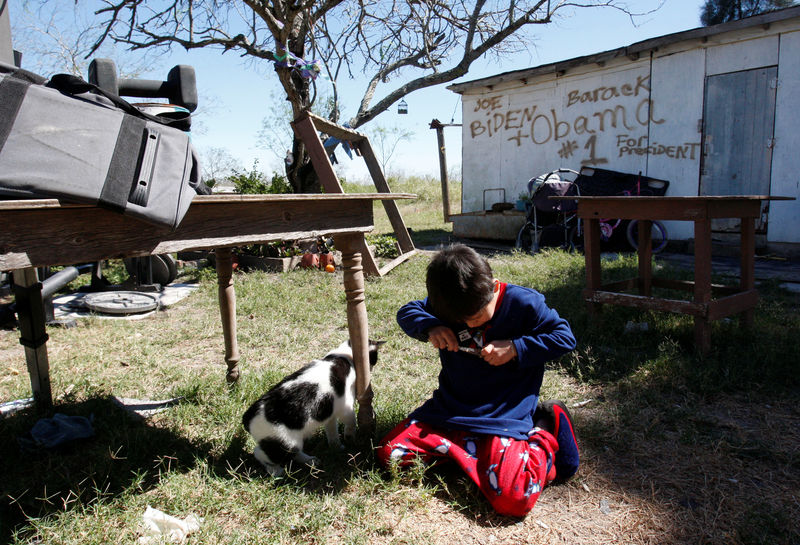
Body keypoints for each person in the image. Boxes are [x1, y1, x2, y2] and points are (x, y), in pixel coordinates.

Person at [376, 244, 579, 518]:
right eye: (459, 320)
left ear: (494, 287)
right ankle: (473, 454)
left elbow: (564, 338)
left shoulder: (524, 304)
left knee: (513, 500)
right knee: (391, 455)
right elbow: (408, 312)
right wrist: (431, 326)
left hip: (502, 416)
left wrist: (517, 348)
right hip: (450, 411)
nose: (469, 326)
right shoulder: (448, 303)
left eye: (475, 318)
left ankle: (545, 426)